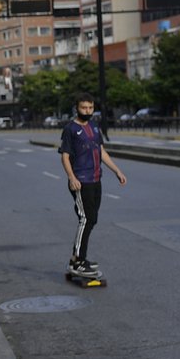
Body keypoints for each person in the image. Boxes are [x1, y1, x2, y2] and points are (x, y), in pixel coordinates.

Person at [59, 93, 127, 277]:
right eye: (84, 108)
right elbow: (65, 156)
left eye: (90, 108)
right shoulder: (70, 129)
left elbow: (101, 152)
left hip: (96, 179)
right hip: (81, 181)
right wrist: (72, 177)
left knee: (92, 219)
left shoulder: (95, 127)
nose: (87, 111)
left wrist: (117, 170)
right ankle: (78, 262)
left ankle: (77, 258)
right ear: (77, 108)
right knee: (86, 218)